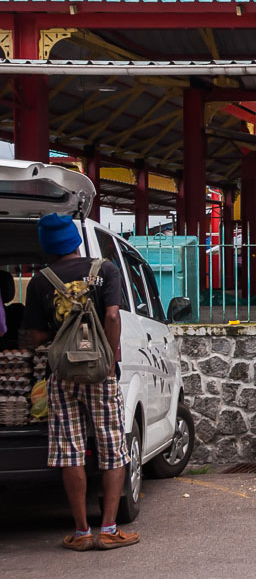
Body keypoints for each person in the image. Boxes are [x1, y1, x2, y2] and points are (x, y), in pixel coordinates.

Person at [19, 213, 139, 551]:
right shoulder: (106, 270)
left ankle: (83, 532)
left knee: (70, 452)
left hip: (62, 376)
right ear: (75, 239)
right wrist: (111, 356)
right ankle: (110, 529)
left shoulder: (40, 281)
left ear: (47, 245)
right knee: (112, 448)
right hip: (100, 373)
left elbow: (38, 334)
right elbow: (113, 315)